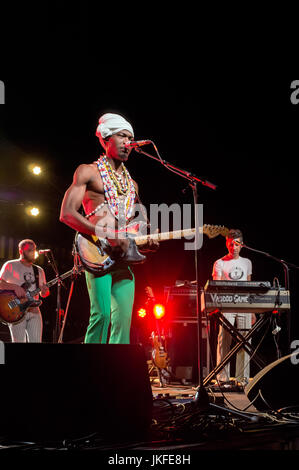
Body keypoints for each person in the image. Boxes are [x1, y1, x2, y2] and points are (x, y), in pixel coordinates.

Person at [60, 112, 158, 344]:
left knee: (123, 320)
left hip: (122, 258)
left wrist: (148, 239)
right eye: (122, 137)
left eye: (131, 139)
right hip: (97, 253)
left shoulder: (132, 185)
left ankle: (115, 375)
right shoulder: (87, 171)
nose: (128, 144)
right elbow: (66, 214)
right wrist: (106, 234)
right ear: (105, 140)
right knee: (102, 315)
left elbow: (140, 224)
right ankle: (88, 373)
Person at [212, 229, 253, 387]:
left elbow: (250, 286)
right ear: (226, 244)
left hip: (244, 305)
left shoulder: (247, 262)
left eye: (236, 244)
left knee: (245, 340)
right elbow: (217, 287)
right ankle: (222, 379)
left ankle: (242, 379)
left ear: (241, 245)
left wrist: (252, 311)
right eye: (230, 244)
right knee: (224, 341)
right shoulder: (219, 263)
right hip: (227, 305)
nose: (233, 247)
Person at [0, 239, 50, 342]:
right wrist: (15, 287)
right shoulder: (10, 265)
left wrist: (45, 291)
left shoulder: (39, 270)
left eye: (34, 250)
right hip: (16, 310)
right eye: (29, 250)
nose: (33, 253)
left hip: (34, 311)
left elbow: (43, 294)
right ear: (21, 251)